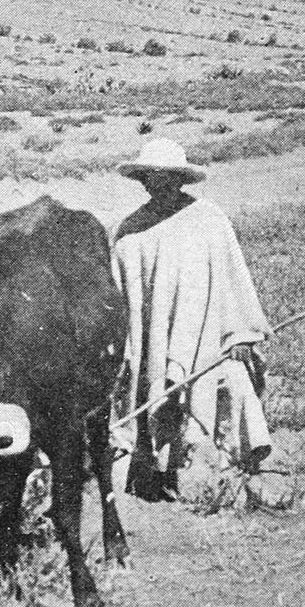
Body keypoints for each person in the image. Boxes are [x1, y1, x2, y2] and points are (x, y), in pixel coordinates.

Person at [111, 138, 273, 503]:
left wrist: (240, 334)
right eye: (150, 177)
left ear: (180, 179)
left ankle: (222, 477)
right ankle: (152, 476)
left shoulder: (209, 220)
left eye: (166, 177)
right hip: (153, 346)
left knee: (223, 392)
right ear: (142, 180)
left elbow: (234, 279)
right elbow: (120, 299)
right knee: (153, 397)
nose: (158, 184)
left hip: (208, 338)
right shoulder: (131, 233)